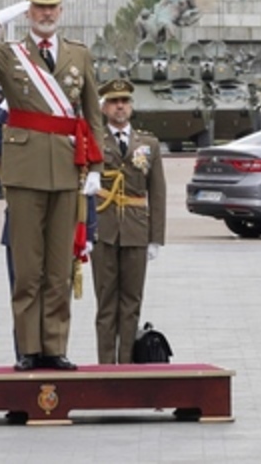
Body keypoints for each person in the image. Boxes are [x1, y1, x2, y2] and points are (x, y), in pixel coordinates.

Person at [0, 0, 104, 372]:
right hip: (24, 172)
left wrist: (97, 168)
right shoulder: (10, 55)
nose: (47, 14)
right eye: (39, 8)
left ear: (61, 10)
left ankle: (54, 346)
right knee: (27, 268)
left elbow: (92, 115)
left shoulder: (78, 55)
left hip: (68, 170)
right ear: (28, 12)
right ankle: (28, 348)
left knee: (58, 268)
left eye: (53, 7)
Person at [91, 79, 166, 364]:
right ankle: (105, 367)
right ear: (103, 107)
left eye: (124, 101)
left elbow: (157, 192)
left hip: (136, 229)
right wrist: (84, 230)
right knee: (106, 304)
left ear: (131, 106)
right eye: (113, 101)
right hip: (104, 229)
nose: (120, 106)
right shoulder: (95, 140)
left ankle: (127, 366)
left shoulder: (148, 143)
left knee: (132, 303)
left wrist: (156, 237)